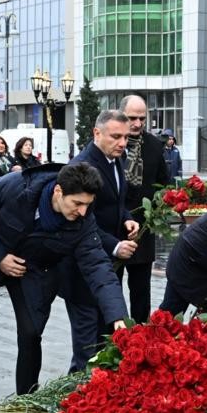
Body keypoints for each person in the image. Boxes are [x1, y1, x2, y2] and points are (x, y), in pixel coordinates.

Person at [0, 163, 129, 413]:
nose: (83, 212)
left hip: (34, 268)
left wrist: (117, 316)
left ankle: (25, 402)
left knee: (30, 334)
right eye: (77, 204)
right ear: (58, 191)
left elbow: (98, 267)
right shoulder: (17, 186)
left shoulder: (83, 222)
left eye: (87, 204)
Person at [64, 110, 138, 370]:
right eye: (116, 136)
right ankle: (76, 396)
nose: (122, 143)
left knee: (104, 334)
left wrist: (127, 217)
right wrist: (115, 246)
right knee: (87, 342)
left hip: (108, 266)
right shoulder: (82, 167)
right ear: (97, 133)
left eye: (125, 137)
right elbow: (82, 222)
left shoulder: (115, 158)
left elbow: (116, 202)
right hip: (84, 267)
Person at [117, 95, 172, 324]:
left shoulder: (153, 145)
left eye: (142, 118)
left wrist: (158, 209)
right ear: (121, 116)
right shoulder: (112, 143)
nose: (138, 123)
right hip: (113, 228)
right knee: (111, 287)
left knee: (141, 290)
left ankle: (139, 334)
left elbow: (163, 183)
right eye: (132, 118)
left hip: (143, 230)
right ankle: (113, 334)